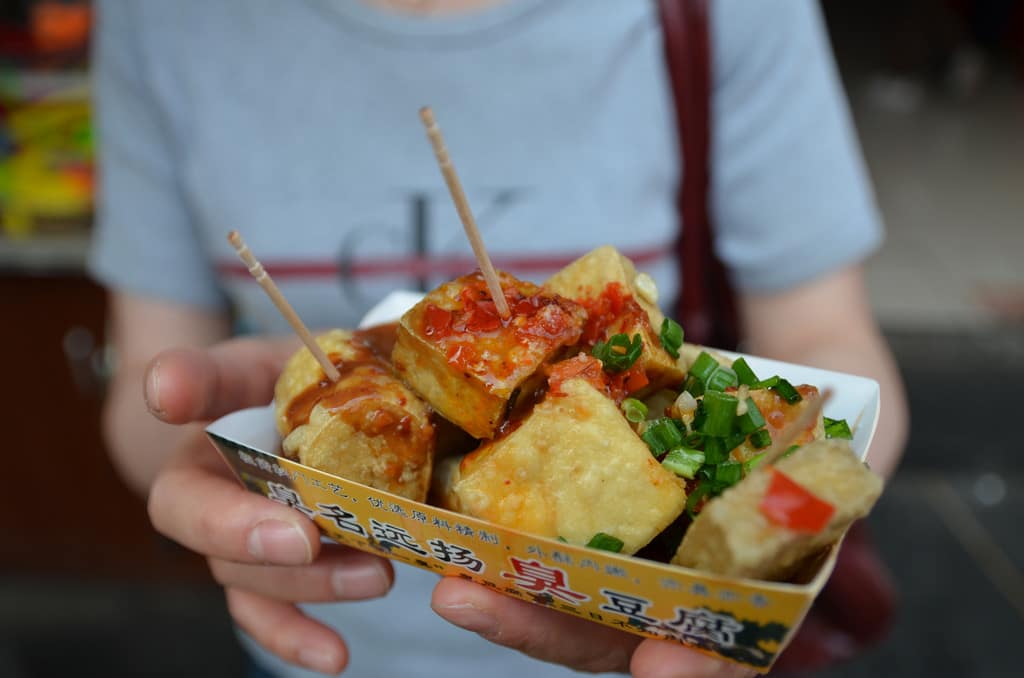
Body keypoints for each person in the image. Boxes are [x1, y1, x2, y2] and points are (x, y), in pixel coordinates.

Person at [90, 0, 909, 676]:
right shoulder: (159, 21)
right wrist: (204, 457)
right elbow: (143, 406)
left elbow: (830, 341)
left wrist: (774, 543)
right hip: (324, 641)